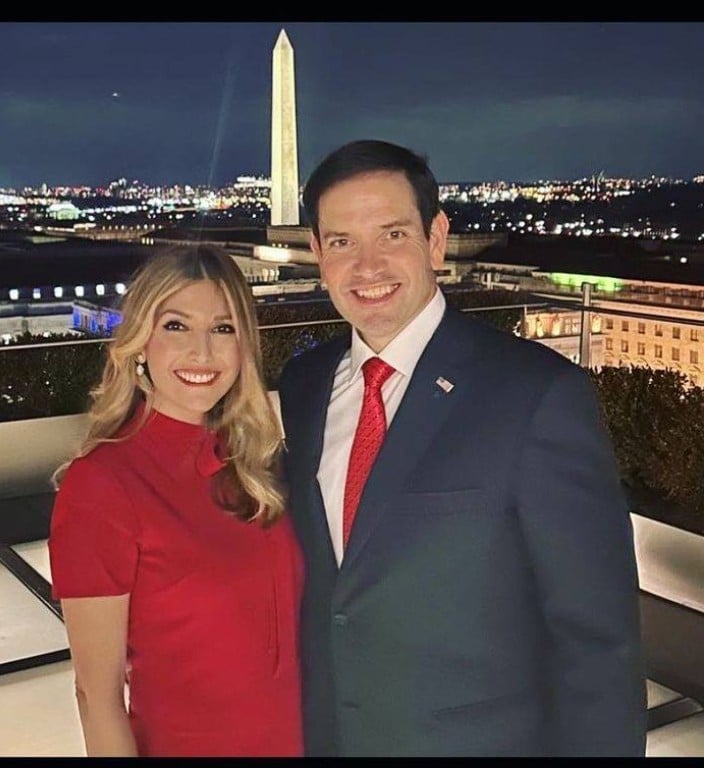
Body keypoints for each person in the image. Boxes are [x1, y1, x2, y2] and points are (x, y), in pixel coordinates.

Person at [277, 139, 647, 756]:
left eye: (392, 235)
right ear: (316, 252)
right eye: (342, 241)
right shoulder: (306, 383)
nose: (367, 267)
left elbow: (596, 641)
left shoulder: (536, 394)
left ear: (436, 237)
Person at [48, 244, 304, 757]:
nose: (202, 354)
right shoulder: (101, 486)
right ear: (140, 341)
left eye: (223, 328)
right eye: (176, 326)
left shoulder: (259, 466)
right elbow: (96, 698)